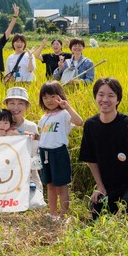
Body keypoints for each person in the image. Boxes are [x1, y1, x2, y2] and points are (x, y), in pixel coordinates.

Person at [79, 77, 128, 218]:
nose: (105, 99)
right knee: (97, 213)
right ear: (95, 97)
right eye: (101, 94)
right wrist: (100, 186)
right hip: (108, 186)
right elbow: (91, 160)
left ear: (118, 100)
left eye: (111, 95)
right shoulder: (90, 125)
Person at [37, 81, 84, 218]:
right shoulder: (44, 117)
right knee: (50, 185)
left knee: (61, 186)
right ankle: (53, 214)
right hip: (44, 153)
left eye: (52, 96)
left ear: (60, 96)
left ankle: (63, 215)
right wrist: (35, 136)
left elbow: (79, 122)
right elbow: (45, 136)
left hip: (58, 152)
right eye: (45, 98)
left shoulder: (64, 114)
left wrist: (67, 106)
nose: (49, 100)